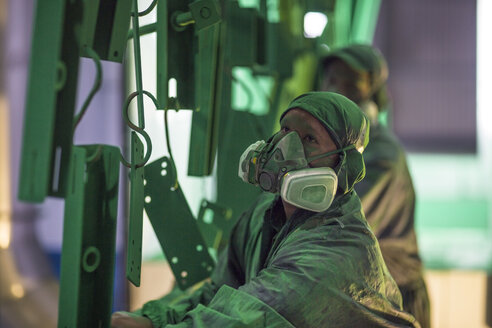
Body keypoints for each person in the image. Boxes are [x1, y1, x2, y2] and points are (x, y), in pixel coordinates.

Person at [111, 92, 420, 327]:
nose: (286, 147)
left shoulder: (337, 250)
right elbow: (218, 291)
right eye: (286, 130)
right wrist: (154, 319)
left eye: (309, 138)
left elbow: (250, 315)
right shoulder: (262, 215)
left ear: (342, 165)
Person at [319, 44, 431, 327]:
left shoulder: (381, 156)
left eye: (348, 80)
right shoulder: (342, 149)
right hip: (367, 289)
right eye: (331, 78)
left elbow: (339, 225)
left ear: (373, 90)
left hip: (394, 297)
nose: (336, 87)